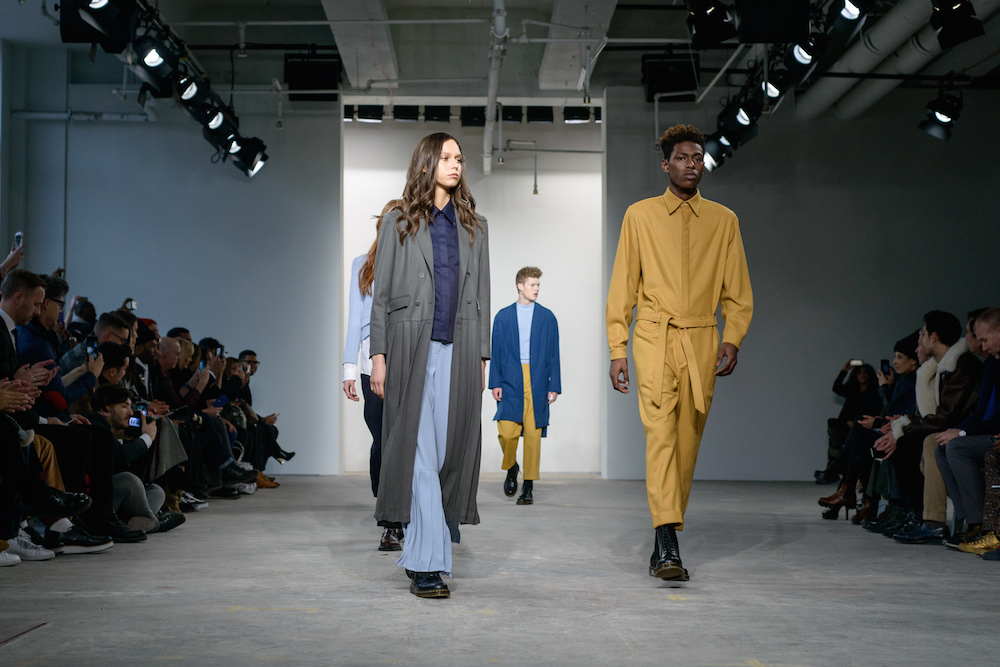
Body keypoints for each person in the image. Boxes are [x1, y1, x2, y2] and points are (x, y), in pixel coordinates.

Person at [606, 123, 753, 582]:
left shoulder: (724, 221)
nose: (692, 165)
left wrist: (733, 337)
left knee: (687, 444)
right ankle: (669, 541)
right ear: (665, 164)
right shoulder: (639, 216)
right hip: (653, 337)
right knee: (661, 438)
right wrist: (617, 347)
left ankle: (661, 541)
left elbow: (738, 292)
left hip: (702, 340)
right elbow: (622, 287)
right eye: (683, 158)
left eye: (698, 158)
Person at [369, 132, 491, 599]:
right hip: (409, 347)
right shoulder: (399, 221)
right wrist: (378, 356)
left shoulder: (475, 226)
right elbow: (381, 296)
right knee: (418, 453)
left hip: (459, 350)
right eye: (446, 157)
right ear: (426, 164)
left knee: (445, 455)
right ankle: (428, 564)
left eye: (459, 158)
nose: (455, 164)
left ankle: (421, 547)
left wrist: (482, 355)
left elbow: (481, 294)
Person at [343, 201, 402, 552]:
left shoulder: (414, 263)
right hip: (371, 361)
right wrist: (349, 368)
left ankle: (396, 522)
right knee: (382, 438)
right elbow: (355, 318)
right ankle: (387, 513)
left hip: (409, 356)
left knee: (405, 441)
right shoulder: (362, 264)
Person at [489, 266, 561, 505]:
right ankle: (511, 466)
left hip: (537, 378)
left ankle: (528, 485)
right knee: (506, 431)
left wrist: (554, 385)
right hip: (510, 378)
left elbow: (554, 353)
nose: (536, 289)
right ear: (520, 286)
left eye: (538, 285)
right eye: (532, 285)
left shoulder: (547, 317)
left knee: (533, 433)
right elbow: (496, 352)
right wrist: (495, 382)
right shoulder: (503, 317)